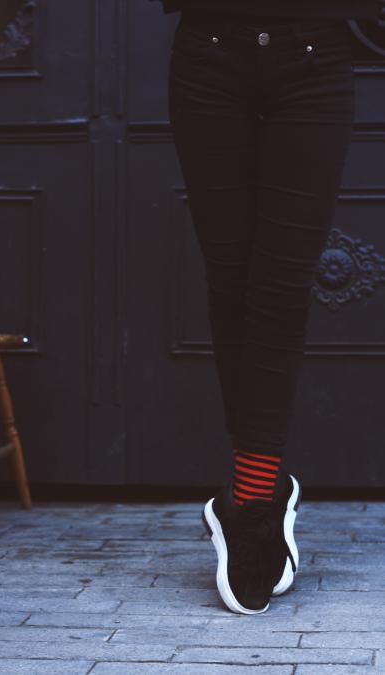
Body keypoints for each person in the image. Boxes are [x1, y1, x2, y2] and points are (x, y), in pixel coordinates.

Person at [151, 0, 385, 615]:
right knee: (231, 283)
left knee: (279, 286)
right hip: (207, 52)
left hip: (315, 56)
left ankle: (251, 502)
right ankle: (256, 490)